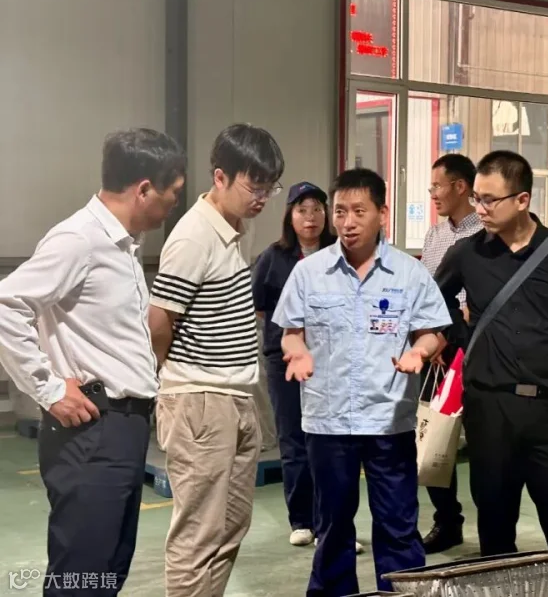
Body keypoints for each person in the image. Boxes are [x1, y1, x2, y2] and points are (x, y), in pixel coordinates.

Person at [0, 129, 186, 596]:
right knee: (81, 576)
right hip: (91, 430)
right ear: (144, 189)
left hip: (121, 429)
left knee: (106, 570)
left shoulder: (121, 245)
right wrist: (48, 389)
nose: (173, 204)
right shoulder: (79, 240)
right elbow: (6, 306)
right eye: (172, 192)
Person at [434, 150, 548, 597]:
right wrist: (462, 338)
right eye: (476, 198)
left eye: (490, 200)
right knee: (494, 528)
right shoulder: (467, 254)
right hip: (488, 409)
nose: (479, 209)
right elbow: (433, 300)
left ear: (523, 199)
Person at [273, 168, 452, 597]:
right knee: (332, 525)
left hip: (388, 420)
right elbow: (291, 331)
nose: (347, 222)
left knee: (398, 525)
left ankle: (403, 593)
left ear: (381, 214)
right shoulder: (309, 272)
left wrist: (419, 351)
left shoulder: (409, 273)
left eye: (358, 211)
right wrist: (296, 350)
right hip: (328, 420)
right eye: (340, 212)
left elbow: (434, 332)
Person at [148, 123, 285, 597]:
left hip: (236, 396)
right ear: (220, 176)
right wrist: (174, 382)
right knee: (199, 534)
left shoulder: (236, 228)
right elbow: (159, 321)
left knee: (230, 525)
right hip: (201, 400)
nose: (262, 198)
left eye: (270, 187)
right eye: (254, 186)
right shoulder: (193, 237)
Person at [251, 182, 364, 555]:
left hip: (331, 359)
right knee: (294, 439)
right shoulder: (273, 257)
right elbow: (260, 306)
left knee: (333, 441)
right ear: (290, 216)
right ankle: (301, 520)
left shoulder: (341, 254)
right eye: (302, 210)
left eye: (317, 209)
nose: (311, 217)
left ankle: (333, 524)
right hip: (283, 360)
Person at [419, 153, 482, 554]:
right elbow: (428, 292)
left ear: (461, 187)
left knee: (485, 437)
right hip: (437, 348)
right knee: (434, 437)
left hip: (475, 347)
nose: (433, 194)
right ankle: (447, 521)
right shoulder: (434, 235)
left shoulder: (485, 234)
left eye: (437, 186)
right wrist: (432, 336)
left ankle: (495, 522)